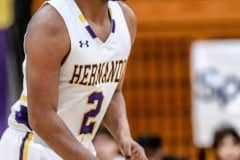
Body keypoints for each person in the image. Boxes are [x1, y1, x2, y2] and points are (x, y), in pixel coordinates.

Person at [0, 0, 147, 159]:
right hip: (35, 147)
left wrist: (124, 137)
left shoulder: (125, 19)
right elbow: (41, 118)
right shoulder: (51, 23)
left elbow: (112, 93)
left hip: (79, 149)